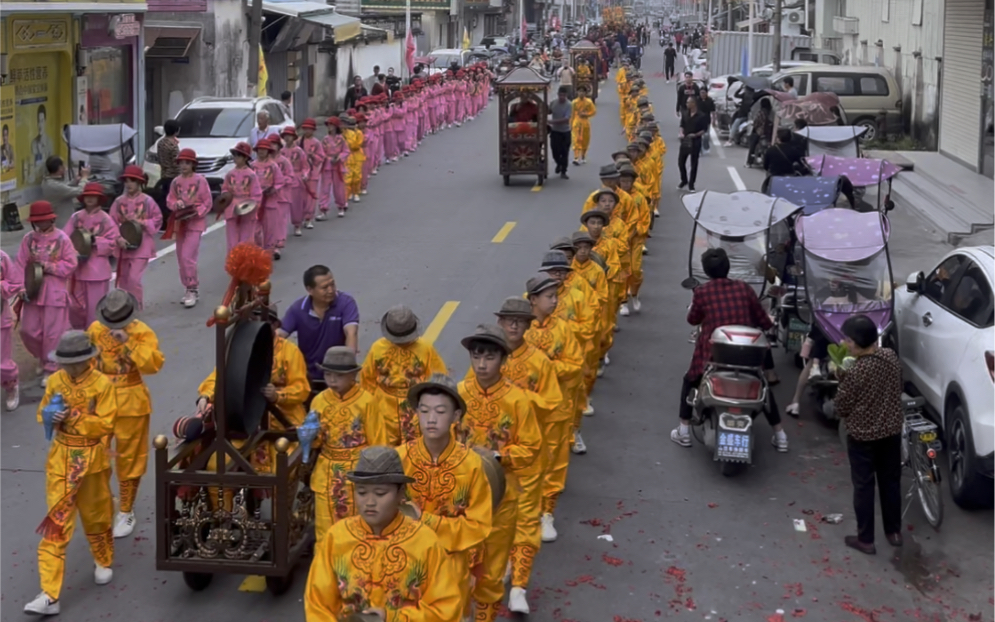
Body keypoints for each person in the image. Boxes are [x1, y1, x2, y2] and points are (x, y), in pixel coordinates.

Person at [303, 446, 462, 621]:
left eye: (380, 493)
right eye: (362, 492)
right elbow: (318, 605)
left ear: (400, 493)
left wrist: (393, 618)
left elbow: (445, 609)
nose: (369, 502)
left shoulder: (424, 541)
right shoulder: (337, 537)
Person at [25, 330, 117, 616]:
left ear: (85, 361)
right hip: (62, 459)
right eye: (62, 362)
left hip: (92, 460)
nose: (65, 367)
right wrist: (53, 416)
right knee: (57, 522)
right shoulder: (54, 381)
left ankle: (103, 559)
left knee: (97, 514)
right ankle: (50, 594)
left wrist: (75, 417)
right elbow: (42, 413)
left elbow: (106, 424)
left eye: (70, 362)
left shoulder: (102, 384)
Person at [482, 297, 564, 612]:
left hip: (526, 461)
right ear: (501, 323)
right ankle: (498, 570)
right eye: (509, 321)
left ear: (528, 325)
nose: (514, 326)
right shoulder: (485, 364)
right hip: (488, 467)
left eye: (520, 321)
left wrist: (522, 398)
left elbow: (553, 402)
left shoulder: (539, 362)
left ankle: (519, 586)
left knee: (526, 523)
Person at [457, 324, 543, 622]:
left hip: (502, 498)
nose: (482, 364)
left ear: (503, 361)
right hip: (461, 499)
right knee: (458, 568)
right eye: (476, 356)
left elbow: (531, 447)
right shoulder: (458, 395)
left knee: (492, 574)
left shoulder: (517, 400)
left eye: (489, 357)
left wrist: (500, 456)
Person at [670, 248, 789, 452]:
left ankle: (684, 430)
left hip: (713, 357)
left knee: (690, 380)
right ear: (728, 268)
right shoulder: (744, 289)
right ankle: (780, 435)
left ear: (707, 272)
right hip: (748, 358)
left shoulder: (702, 292)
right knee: (764, 389)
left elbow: (692, 319)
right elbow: (764, 321)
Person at [399, 373, 493, 617]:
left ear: (455, 416)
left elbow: (478, 525)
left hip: (450, 564)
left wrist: (425, 520)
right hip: (404, 563)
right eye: (424, 411)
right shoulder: (400, 459)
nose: (431, 419)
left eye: (440, 412)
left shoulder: (470, 464)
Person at [86, 289, 164, 538]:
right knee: (95, 455)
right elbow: (87, 363)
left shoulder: (141, 332)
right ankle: (103, 502)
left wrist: (127, 343)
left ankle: (126, 510)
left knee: (129, 458)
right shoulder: (95, 330)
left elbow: (153, 364)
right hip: (100, 400)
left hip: (131, 402)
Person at [836, 314, 904, 555]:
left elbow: (841, 407)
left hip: (863, 438)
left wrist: (840, 375)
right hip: (891, 432)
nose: (845, 343)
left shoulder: (855, 372)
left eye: (848, 340)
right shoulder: (890, 357)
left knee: (864, 487)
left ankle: (866, 539)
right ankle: (894, 531)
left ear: (856, 342)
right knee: (891, 482)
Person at [308, 346, 391, 542]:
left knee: (359, 525)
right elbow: (315, 443)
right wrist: (310, 436)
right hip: (327, 470)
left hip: (358, 470)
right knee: (325, 529)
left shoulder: (367, 402)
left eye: (339, 375)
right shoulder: (319, 401)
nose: (332, 380)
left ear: (353, 375)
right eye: (328, 374)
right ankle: (325, 569)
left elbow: (379, 441)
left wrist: (377, 477)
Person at [359, 305, 447, 444]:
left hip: (415, 404)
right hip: (383, 405)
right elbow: (367, 379)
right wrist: (369, 408)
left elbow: (438, 379)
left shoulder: (425, 348)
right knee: (384, 446)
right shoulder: (377, 348)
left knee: (414, 448)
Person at [18, 201, 78, 384]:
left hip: (55, 292)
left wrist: (49, 267)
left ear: (52, 219)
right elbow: (20, 264)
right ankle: (43, 357)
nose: (42, 224)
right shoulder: (28, 239)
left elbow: (71, 264)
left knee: (52, 333)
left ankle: (51, 369)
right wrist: (20, 287)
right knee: (28, 331)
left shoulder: (62, 239)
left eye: (45, 220)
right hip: (32, 291)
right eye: (38, 221)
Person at [279, 265, 360, 387]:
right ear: (310, 290)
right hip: (307, 375)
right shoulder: (298, 309)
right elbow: (280, 336)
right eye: (324, 287)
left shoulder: (346, 303)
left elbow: (351, 333)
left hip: (338, 375)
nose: (331, 290)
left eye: (332, 284)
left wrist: (349, 366)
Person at [62, 183, 118, 330]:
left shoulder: (105, 219)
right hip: (77, 269)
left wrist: (95, 241)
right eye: (87, 195)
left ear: (99, 199)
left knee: (95, 308)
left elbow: (113, 242)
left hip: (97, 270)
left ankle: (95, 337)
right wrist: (73, 252)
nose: (90, 198)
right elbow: (64, 239)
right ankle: (80, 333)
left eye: (94, 196)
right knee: (74, 307)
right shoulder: (76, 217)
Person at [163, 148, 212, 309]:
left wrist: (197, 211)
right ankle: (187, 288)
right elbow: (170, 199)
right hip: (180, 222)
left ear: (193, 164)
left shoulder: (200, 181)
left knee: (187, 257)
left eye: (187, 162)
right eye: (181, 162)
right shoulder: (176, 182)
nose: (184, 165)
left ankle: (193, 288)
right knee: (180, 258)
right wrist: (175, 204)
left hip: (195, 223)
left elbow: (208, 201)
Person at [108, 165, 162, 309]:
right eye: (126, 181)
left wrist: (143, 222)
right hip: (124, 244)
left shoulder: (148, 201)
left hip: (142, 244)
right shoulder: (119, 201)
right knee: (123, 278)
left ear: (139, 183)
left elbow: (158, 219)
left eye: (132, 180)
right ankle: (125, 306)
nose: (129, 184)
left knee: (134, 278)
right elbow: (111, 222)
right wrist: (118, 237)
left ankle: (136, 306)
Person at [220, 141, 262, 254]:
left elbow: (257, 194)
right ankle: (233, 263)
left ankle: (245, 264)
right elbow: (225, 189)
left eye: (239, 156)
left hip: (247, 207)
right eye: (235, 155)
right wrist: (225, 197)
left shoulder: (251, 174)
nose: (236, 158)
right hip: (232, 207)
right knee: (232, 240)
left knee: (246, 239)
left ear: (245, 158)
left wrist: (252, 205)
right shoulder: (230, 174)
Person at [250, 138, 286, 257]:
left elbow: (280, 181)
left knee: (270, 228)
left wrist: (272, 189)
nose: (261, 152)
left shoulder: (273, 166)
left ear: (268, 151)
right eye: (260, 149)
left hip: (270, 201)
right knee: (255, 229)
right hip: (255, 202)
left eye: (264, 150)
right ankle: (258, 249)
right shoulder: (252, 166)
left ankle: (268, 252)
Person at [1, 250, 22, 411]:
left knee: (2, 362)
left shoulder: (2, 257)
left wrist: (1, 286)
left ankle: (11, 387)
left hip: (1, 317)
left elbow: (15, 282)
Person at [677, 96, 708, 191]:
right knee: (681, 162)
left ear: (693, 104)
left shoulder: (701, 116)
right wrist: (681, 133)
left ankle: (691, 184)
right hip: (685, 140)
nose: (687, 104)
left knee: (694, 163)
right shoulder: (685, 114)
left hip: (695, 140)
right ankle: (684, 179)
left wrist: (695, 135)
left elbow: (704, 130)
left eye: (688, 102)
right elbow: (682, 125)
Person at [155, 119, 181, 227]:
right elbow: (176, 163)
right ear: (176, 131)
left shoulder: (160, 143)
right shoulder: (173, 146)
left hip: (164, 174)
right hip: (173, 176)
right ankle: (171, 222)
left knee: (164, 199)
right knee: (173, 200)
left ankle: (164, 221)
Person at [548, 86, 573, 179]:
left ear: (566, 95)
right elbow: (548, 111)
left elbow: (566, 119)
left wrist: (551, 122)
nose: (562, 97)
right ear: (558, 95)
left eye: (563, 95)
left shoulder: (569, 105)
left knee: (564, 152)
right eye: (560, 95)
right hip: (555, 131)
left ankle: (563, 171)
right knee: (555, 151)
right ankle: (559, 163)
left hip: (565, 132)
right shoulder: (554, 103)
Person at [571, 85, 596, 165]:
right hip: (576, 123)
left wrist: (586, 114)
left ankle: (583, 155)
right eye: (579, 91)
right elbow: (571, 115)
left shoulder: (589, 102)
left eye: (583, 92)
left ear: (585, 93)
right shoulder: (574, 102)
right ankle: (576, 157)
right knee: (576, 140)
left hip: (585, 123)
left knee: (585, 140)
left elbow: (593, 111)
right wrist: (570, 124)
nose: (581, 93)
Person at [746, 98, 773, 167]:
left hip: (758, 132)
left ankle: (749, 162)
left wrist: (754, 125)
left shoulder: (761, 112)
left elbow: (756, 122)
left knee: (752, 147)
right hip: (766, 132)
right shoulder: (770, 112)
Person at [698, 87, 716, 155]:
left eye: (704, 93)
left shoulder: (710, 100)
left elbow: (713, 111)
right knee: (698, 136)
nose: (702, 94)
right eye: (701, 93)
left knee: (706, 135)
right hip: (698, 120)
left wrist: (714, 120)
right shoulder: (697, 100)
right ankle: (699, 149)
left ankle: (706, 147)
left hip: (706, 120)